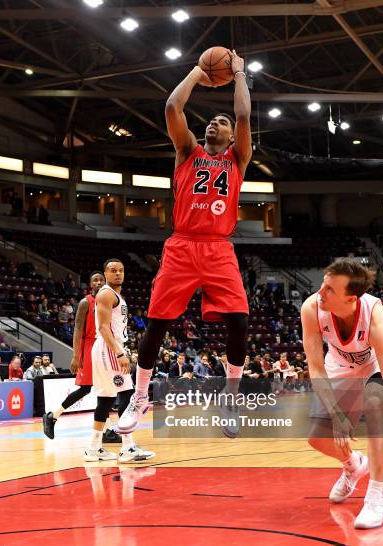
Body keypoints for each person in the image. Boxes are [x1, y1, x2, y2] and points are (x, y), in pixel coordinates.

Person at [118, 49, 252, 435]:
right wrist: (197, 71)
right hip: (181, 244)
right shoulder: (186, 152)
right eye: (211, 121)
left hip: (218, 247)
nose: (215, 124)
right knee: (156, 325)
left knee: (240, 321)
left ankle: (230, 397)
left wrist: (238, 74)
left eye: (221, 123)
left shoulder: (238, 157)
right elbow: (172, 106)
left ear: (230, 136)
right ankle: (140, 397)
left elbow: (243, 115)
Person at [301, 258, 383, 529]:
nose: (320, 292)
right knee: (317, 439)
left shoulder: (375, 314)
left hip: (377, 365)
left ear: (351, 299)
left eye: (329, 290)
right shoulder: (312, 308)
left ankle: (376, 501)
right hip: (341, 364)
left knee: (373, 402)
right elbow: (316, 367)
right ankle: (354, 465)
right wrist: (337, 416)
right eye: (323, 285)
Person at [86, 259, 155, 462]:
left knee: (106, 399)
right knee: (127, 394)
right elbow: (103, 328)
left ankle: (93, 448)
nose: (118, 273)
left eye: (121, 270)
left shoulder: (114, 294)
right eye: (113, 270)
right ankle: (127, 448)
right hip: (109, 348)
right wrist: (119, 352)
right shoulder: (107, 293)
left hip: (105, 348)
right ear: (106, 274)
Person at [43, 272, 120, 444]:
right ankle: (53, 416)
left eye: (101, 280)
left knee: (104, 390)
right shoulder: (85, 302)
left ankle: (106, 431)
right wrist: (75, 355)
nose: (99, 282)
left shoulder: (108, 300)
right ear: (90, 284)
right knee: (86, 389)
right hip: (89, 347)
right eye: (95, 280)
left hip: (103, 346)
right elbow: (77, 329)